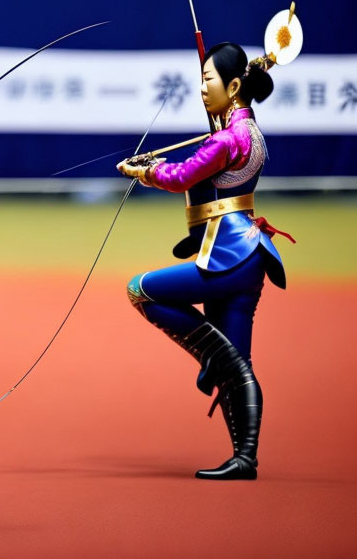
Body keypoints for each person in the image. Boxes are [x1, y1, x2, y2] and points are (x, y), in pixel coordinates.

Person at [116, 42, 293, 480]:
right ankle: (245, 457)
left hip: (226, 257)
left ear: (234, 86)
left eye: (209, 79)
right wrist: (157, 163)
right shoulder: (250, 133)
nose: (201, 87)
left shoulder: (227, 139)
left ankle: (211, 358)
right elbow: (200, 170)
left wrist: (143, 171)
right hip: (249, 254)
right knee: (240, 362)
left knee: (141, 289)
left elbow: (181, 177)